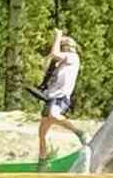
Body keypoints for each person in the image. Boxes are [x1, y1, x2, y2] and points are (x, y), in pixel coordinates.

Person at [31, 29, 82, 162]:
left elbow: (55, 53)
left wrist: (58, 36)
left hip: (60, 97)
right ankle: (42, 160)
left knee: (53, 114)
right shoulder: (60, 63)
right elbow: (49, 60)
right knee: (42, 132)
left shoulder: (73, 57)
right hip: (51, 97)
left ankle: (80, 133)